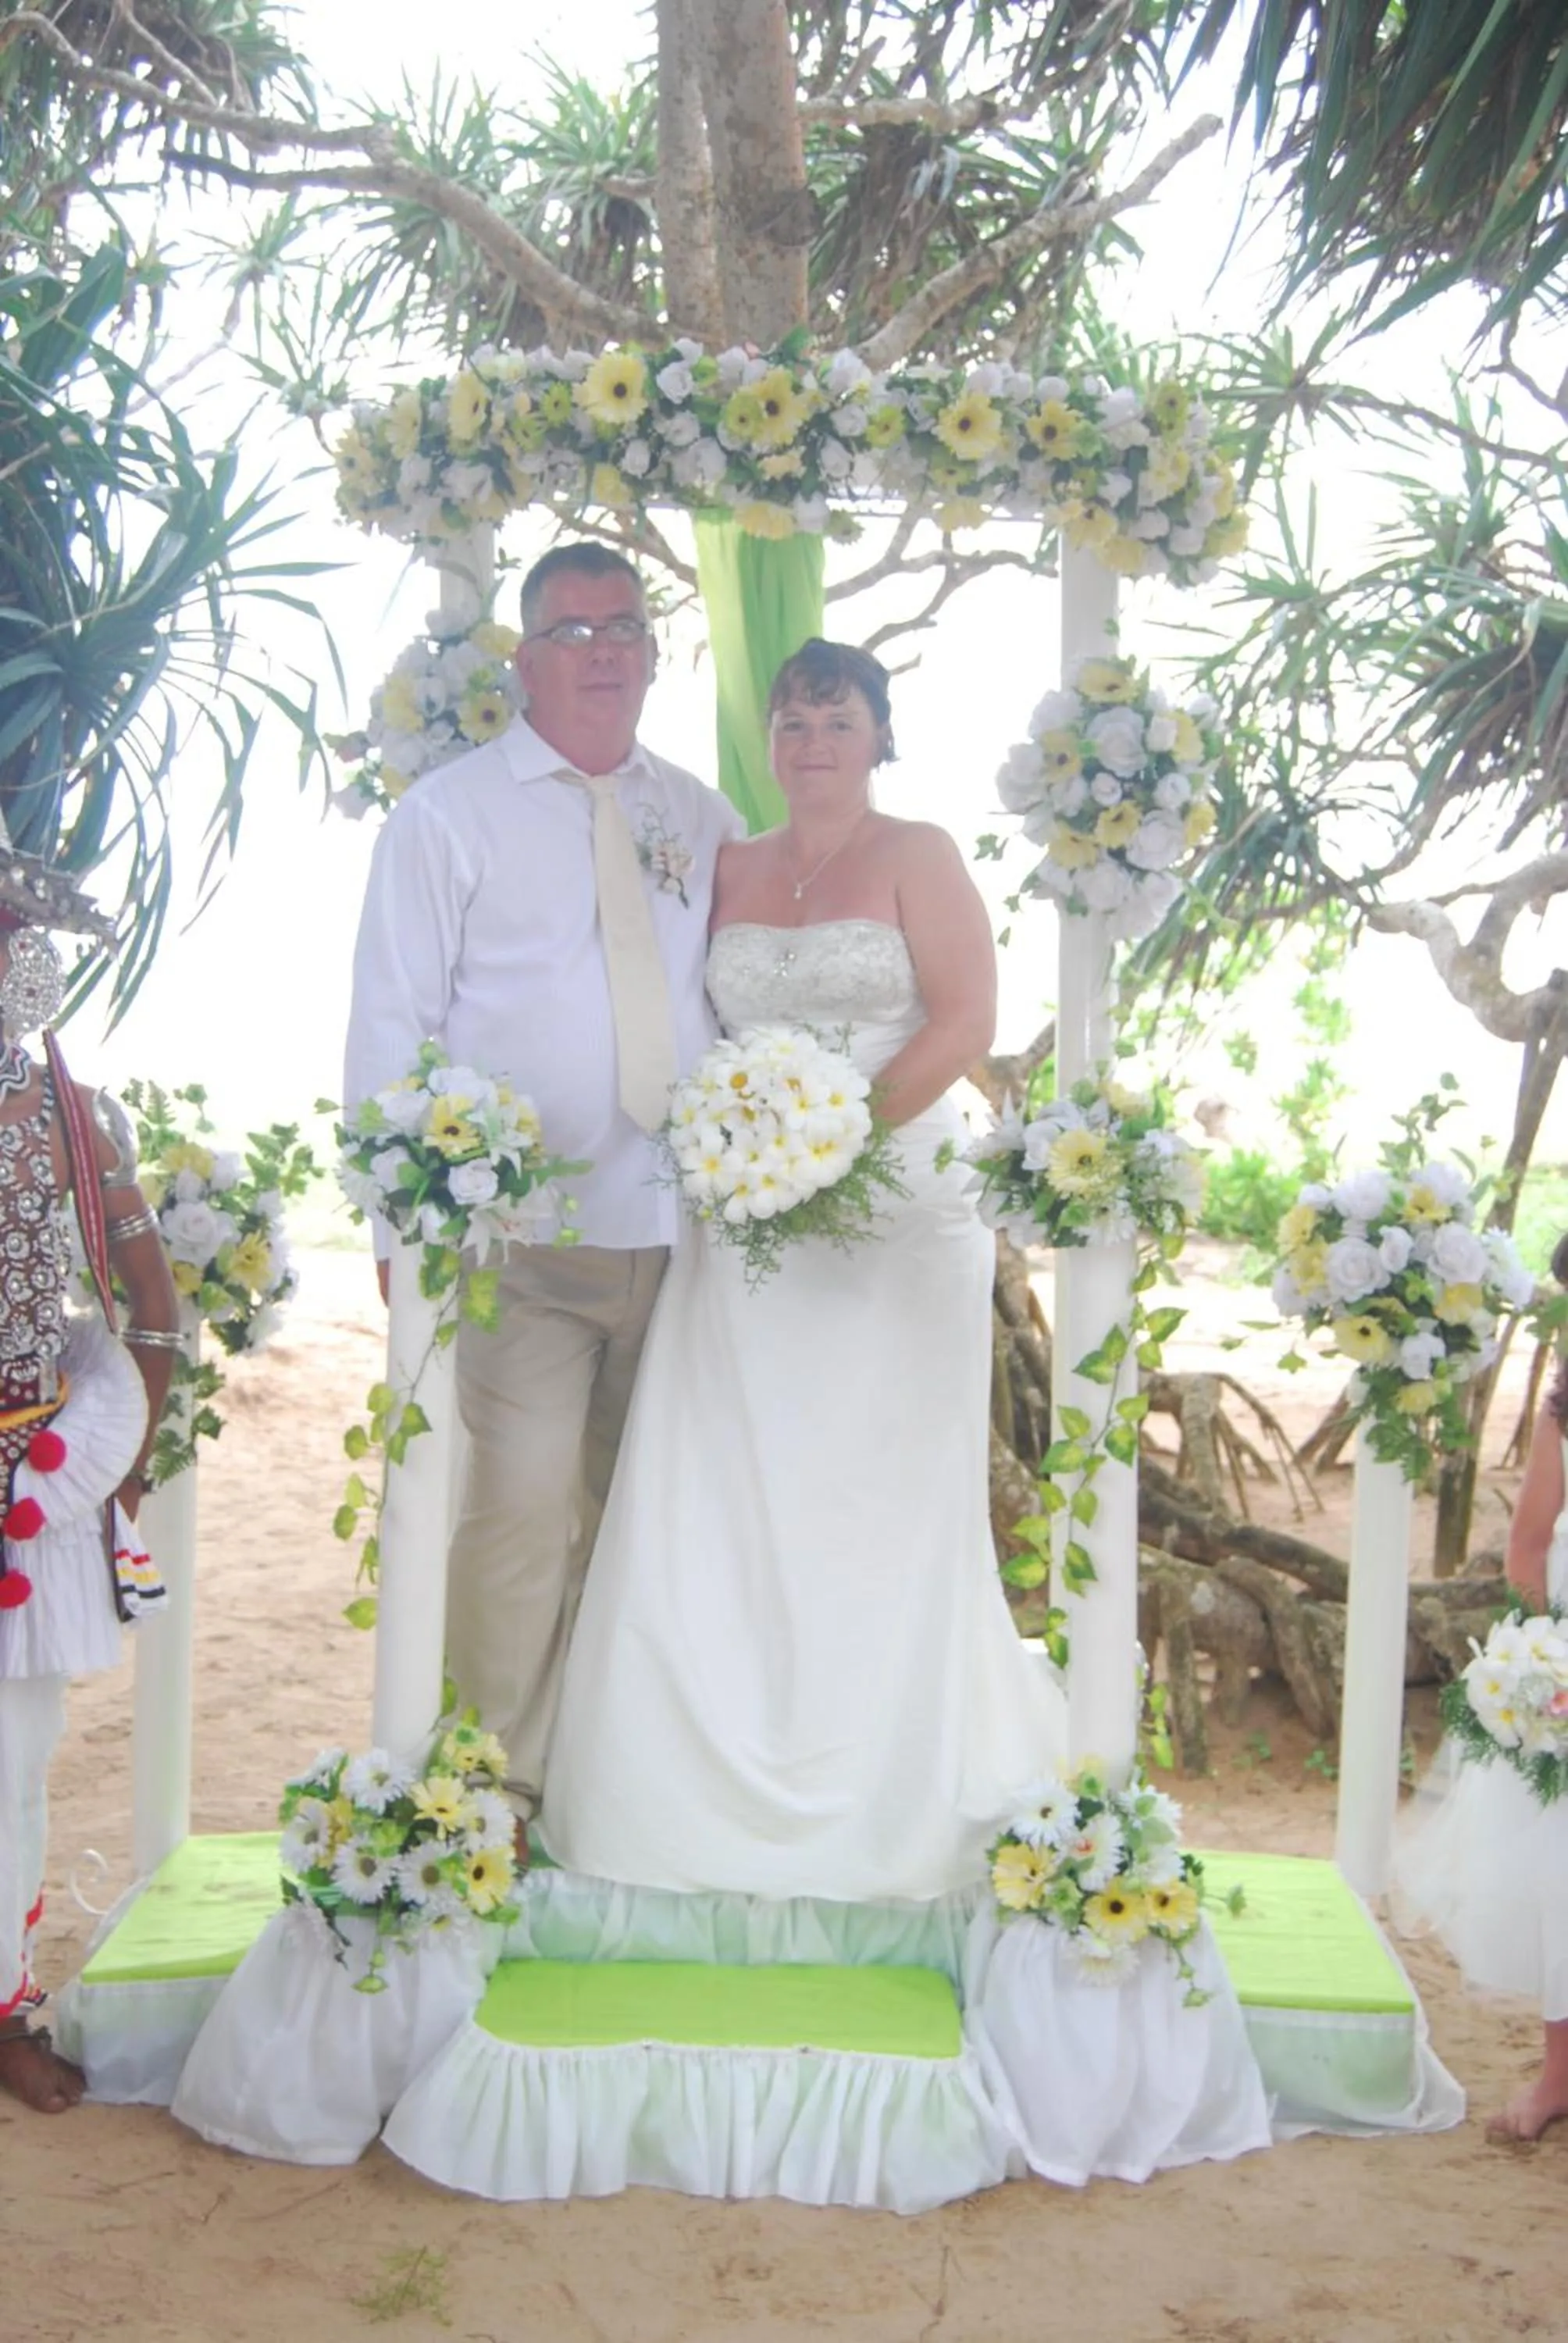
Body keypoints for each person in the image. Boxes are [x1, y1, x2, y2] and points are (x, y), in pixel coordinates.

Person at [540, 639, 1065, 1900]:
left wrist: (833, 1139)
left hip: (891, 1213)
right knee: (730, 1468)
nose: (810, 738)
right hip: (748, 1213)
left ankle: (885, 1776)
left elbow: (961, 1024)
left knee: (875, 1478)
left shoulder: (920, 855)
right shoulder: (727, 863)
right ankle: (706, 1768)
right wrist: (754, 1148)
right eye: (789, 717)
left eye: (834, 717)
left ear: (878, 736)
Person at [344, 544, 744, 1825]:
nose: (603, 652)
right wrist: (397, 1222)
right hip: (522, 1244)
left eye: (624, 627)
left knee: (651, 1525)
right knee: (518, 1522)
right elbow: (389, 1028)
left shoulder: (698, 812)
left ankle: (618, 1797)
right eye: (572, 632)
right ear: (524, 657)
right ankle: (494, 1791)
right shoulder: (446, 817)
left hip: (684, 1241)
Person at [0, 835, 178, 2113]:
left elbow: (152, 1301)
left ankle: (1, 2000)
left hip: (31, 1471)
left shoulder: (77, 1118)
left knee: (14, 1753)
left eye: (24, 939)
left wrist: (123, 1459)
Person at [1395, 1228, 1568, 2142]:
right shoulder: (1561, 1410)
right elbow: (1530, 1548)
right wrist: (1549, 1648)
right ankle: (1556, 2077)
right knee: (1558, 1882)